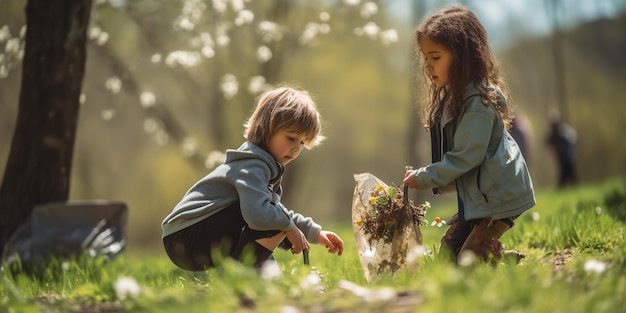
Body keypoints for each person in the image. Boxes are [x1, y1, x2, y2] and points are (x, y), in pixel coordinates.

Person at [403, 5, 536, 265]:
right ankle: (496, 255)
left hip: (499, 198)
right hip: (481, 198)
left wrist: (425, 176)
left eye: (436, 57)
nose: (428, 66)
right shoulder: (457, 97)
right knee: (446, 256)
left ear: (463, 57)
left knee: (466, 262)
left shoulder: (478, 103)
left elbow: (466, 157)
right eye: (426, 58)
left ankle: (492, 258)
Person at [162, 86, 344, 271]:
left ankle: (255, 276)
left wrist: (315, 232)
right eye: (291, 138)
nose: (297, 148)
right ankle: (244, 273)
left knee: (273, 218)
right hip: (187, 237)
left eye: (302, 142)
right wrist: (289, 227)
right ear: (266, 129)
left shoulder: (263, 167)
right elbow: (258, 213)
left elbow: (275, 211)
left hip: (188, 236)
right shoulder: (253, 165)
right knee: (271, 218)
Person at [545, 110, 578, 188]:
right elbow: (547, 141)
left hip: (567, 157)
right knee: (565, 175)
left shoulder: (563, 132)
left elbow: (571, 142)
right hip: (563, 158)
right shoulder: (554, 133)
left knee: (569, 175)